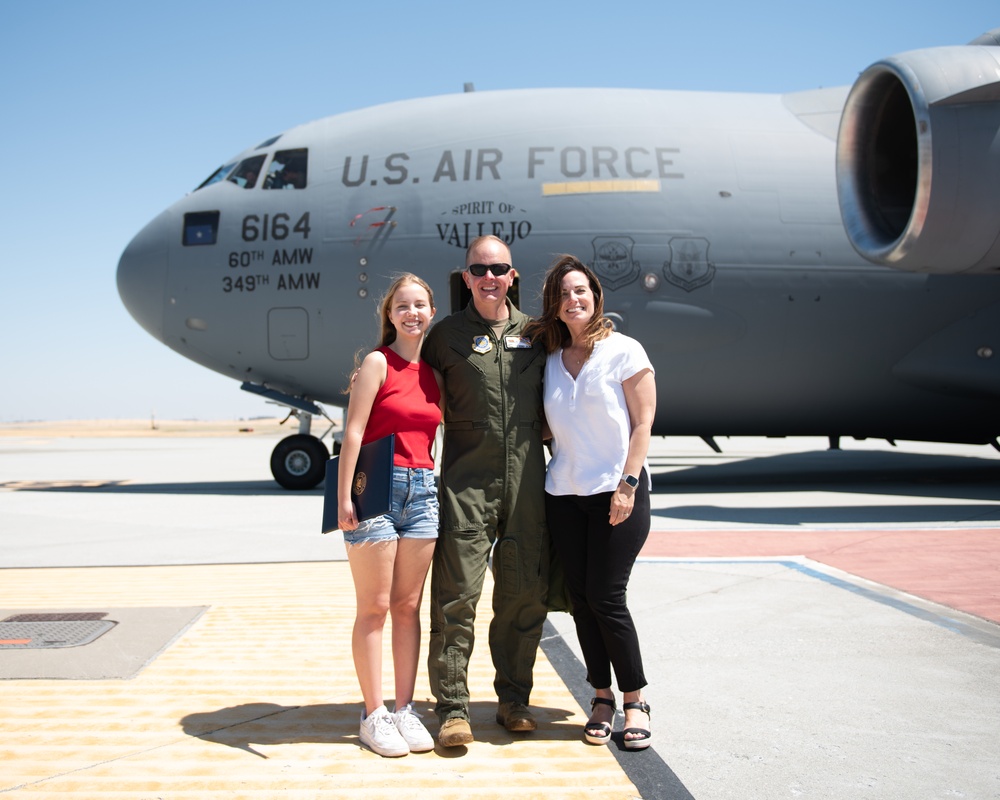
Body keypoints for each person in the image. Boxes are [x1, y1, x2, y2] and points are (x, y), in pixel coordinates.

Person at [421, 235, 549, 747]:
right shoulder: (444, 336)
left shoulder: (539, 334)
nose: (490, 276)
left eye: (499, 268)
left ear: (512, 275)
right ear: (467, 277)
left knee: (523, 596)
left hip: (526, 483)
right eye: (480, 269)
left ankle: (513, 699)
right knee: (457, 597)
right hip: (466, 483)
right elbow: (418, 400)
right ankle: (452, 708)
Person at [526, 254, 657, 750]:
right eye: (563, 294)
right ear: (554, 306)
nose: (573, 300)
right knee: (581, 600)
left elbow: (643, 422)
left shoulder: (624, 350)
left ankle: (635, 700)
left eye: (581, 291)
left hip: (616, 492)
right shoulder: (553, 360)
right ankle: (600, 697)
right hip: (564, 492)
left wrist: (628, 483)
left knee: (607, 597)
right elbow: (545, 426)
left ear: (596, 297)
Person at [337, 273, 444, 758]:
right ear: (389, 314)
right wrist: (345, 500)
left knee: (407, 608)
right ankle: (373, 714)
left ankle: (405, 709)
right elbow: (353, 434)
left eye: (419, 305)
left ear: (431, 311)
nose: (412, 313)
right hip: (376, 490)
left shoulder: (435, 374)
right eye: (402, 305)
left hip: (423, 493)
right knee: (374, 607)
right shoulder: (378, 363)